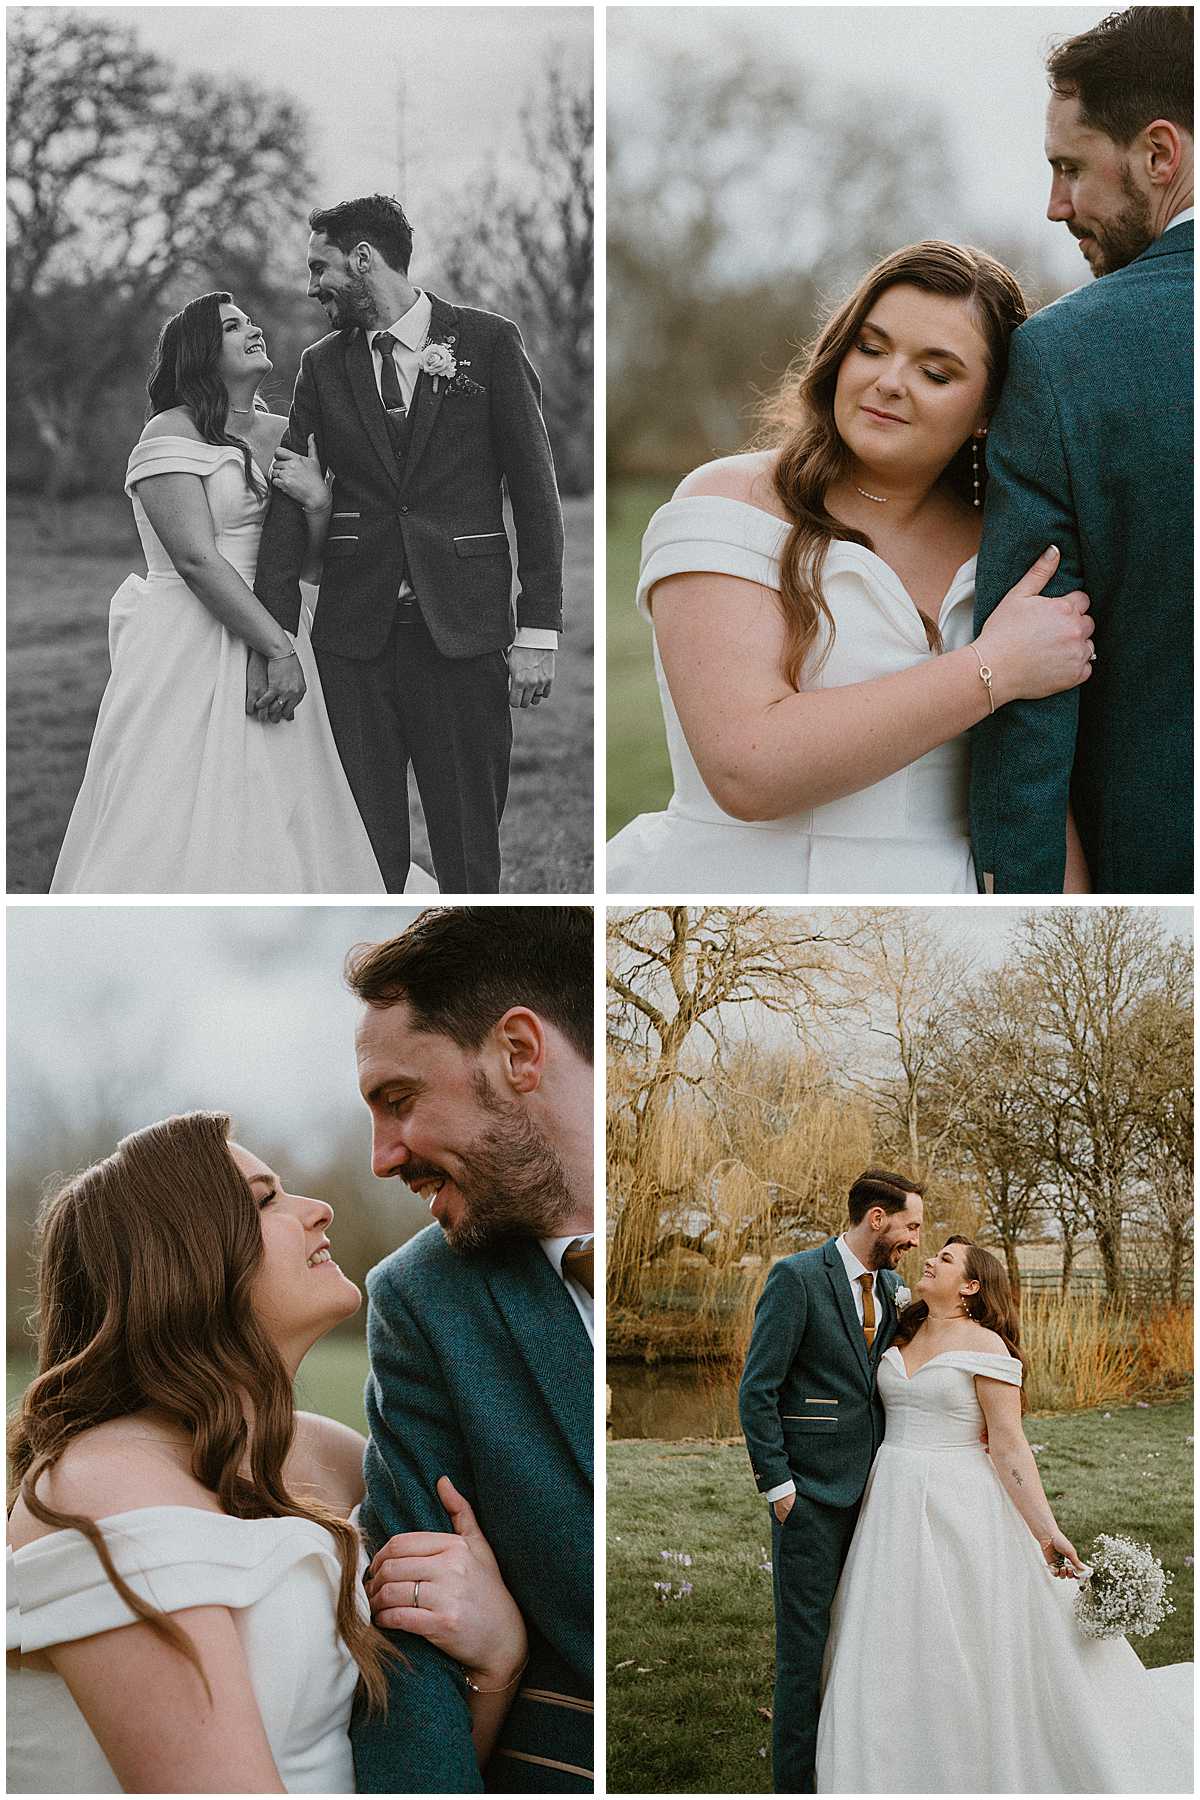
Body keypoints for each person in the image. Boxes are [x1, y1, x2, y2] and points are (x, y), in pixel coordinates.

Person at [7, 1112, 523, 1793]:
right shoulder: (105, 1488)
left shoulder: (334, 1459)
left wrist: (496, 1665)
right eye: (265, 1200)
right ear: (184, 1262)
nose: (319, 1209)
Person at [606, 241, 1096, 895]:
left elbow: (1038, 785)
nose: (889, 380)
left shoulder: (1010, 546)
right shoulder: (725, 503)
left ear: (985, 412)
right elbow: (746, 769)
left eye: (937, 372)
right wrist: (993, 669)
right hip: (734, 888)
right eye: (872, 347)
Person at [49, 291, 432, 895]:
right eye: (233, 326)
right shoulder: (168, 432)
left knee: (288, 786)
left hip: (284, 619)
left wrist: (318, 502)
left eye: (251, 321)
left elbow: (309, 565)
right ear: (202, 353)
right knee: (173, 792)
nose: (253, 330)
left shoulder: (286, 432)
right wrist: (276, 651)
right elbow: (197, 559)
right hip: (191, 636)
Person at [347, 907, 594, 1793]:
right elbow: (408, 1650)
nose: (382, 1158)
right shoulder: (419, 1301)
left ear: (519, 1053)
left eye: (399, 1101)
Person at [254, 195, 565, 895]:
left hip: (463, 633)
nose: (312, 287)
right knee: (362, 851)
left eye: (320, 267)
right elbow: (284, 502)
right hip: (353, 641)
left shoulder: (487, 342)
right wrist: (274, 641)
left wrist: (538, 628)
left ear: (363, 258)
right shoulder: (321, 367)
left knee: (467, 849)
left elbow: (536, 493)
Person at [816, 1237, 1193, 1792]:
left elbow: (1010, 1446)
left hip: (960, 1501)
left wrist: (1047, 1531)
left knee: (969, 1632)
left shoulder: (988, 1347)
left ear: (971, 1285)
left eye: (945, 1259)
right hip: (891, 1496)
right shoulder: (902, 1330)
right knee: (891, 1624)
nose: (930, 1260)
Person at [970, 7, 1193, 894]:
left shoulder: (1067, 358)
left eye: (1069, 168)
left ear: (1158, 154)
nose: (1055, 205)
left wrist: (1024, 906)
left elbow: (1034, 682)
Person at [738, 1169, 923, 1793]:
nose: (915, 1241)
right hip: (810, 1499)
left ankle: (851, 1768)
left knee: (862, 1640)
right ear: (877, 1217)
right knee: (803, 1654)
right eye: (910, 1226)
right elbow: (757, 1389)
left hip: (876, 1498)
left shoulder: (895, 1288)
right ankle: (794, 1784)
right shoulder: (795, 1278)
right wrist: (780, 1489)